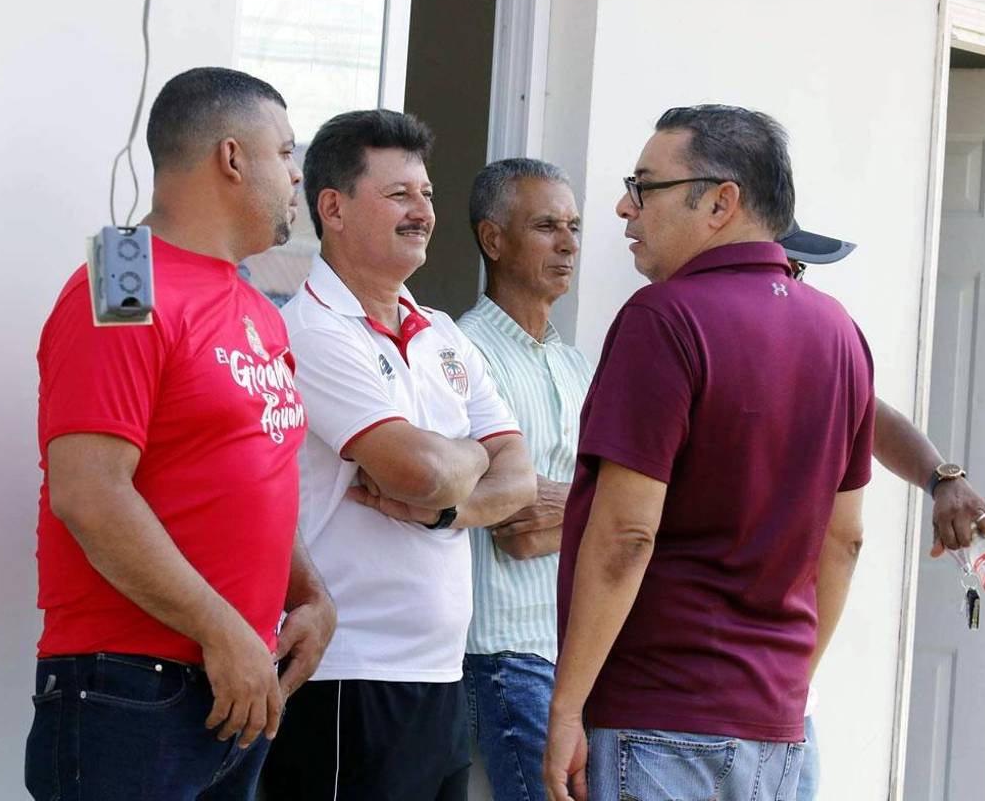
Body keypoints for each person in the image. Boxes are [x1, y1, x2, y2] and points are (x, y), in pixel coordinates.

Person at [543, 105, 875, 801]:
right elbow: (843, 541)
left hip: (659, 713)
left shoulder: (663, 318)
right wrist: (787, 685)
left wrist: (568, 705)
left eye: (646, 186)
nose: (623, 207)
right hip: (777, 724)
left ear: (722, 201)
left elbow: (628, 533)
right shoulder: (840, 332)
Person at [25, 67, 336, 801]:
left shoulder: (256, 304)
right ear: (232, 158)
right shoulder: (125, 276)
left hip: (236, 685)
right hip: (132, 688)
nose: (296, 174)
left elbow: (253, 473)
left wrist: (310, 596)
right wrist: (222, 627)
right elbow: (88, 492)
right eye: (286, 152)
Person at [261, 109, 536, 801]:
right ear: (334, 207)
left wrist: (443, 513)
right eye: (399, 195)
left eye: (428, 195)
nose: (423, 211)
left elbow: (522, 480)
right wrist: (472, 455)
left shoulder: (441, 331)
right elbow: (422, 472)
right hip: (345, 677)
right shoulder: (313, 331)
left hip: (440, 676)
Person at [780, 224, 985, 801]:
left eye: (800, 270)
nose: (795, 282)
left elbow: (866, 411)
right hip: (717, 706)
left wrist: (943, 477)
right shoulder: (694, 335)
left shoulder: (808, 339)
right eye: (787, 266)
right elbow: (843, 543)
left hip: (778, 705)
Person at [456, 158, 591, 801]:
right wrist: (598, 508)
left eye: (573, 227)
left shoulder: (576, 363)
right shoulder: (460, 351)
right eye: (546, 226)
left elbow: (620, 505)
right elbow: (512, 523)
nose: (567, 243)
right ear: (493, 239)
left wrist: (574, 505)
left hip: (575, 646)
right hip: (504, 648)